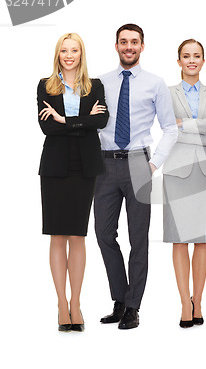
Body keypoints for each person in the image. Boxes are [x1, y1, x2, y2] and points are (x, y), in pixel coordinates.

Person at [95, 23, 178, 330]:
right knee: (104, 234)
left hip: (138, 163)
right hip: (104, 165)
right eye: (123, 42)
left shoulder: (155, 83)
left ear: (142, 46)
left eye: (134, 42)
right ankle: (119, 298)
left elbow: (170, 128)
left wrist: (154, 164)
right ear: (116, 46)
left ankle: (133, 306)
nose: (129, 46)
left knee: (138, 237)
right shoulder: (99, 82)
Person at [38, 32, 109, 332]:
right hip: (54, 167)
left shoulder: (95, 86)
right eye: (64, 50)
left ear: (82, 54)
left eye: (74, 50)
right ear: (58, 54)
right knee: (57, 235)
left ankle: (76, 304)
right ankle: (60, 304)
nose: (69, 55)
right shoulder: (45, 86)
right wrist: (82, 120)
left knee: (78, 236)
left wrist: (64, 119)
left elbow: (101, 122)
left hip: (85, 167)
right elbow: (45, 127)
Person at [162, 39, 206, 328]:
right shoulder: (167, 93)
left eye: (196, 56)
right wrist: (202, 127)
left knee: (202, 239)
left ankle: (198, 302)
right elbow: (167, 128)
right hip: (177, 172)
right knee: (178, 239)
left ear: (203, 60)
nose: (191, 60)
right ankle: (183, 301)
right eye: (186, 56)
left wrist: (184, 124)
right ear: (178, 61)